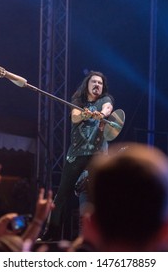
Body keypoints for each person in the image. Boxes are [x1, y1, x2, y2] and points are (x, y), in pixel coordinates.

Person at [41, 71, 114, 241]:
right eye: (94, 82)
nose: (97, 85)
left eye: (100, 83)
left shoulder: (106, 99)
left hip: (98, 156)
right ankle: (51, 232)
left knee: (96, 194)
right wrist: (85, 114)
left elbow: (108, 109)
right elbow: (74, 117)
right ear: (87, 85)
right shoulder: (78, 101)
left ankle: (98, 235)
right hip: (76, 155)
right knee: (61, 195)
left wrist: (101, 115)